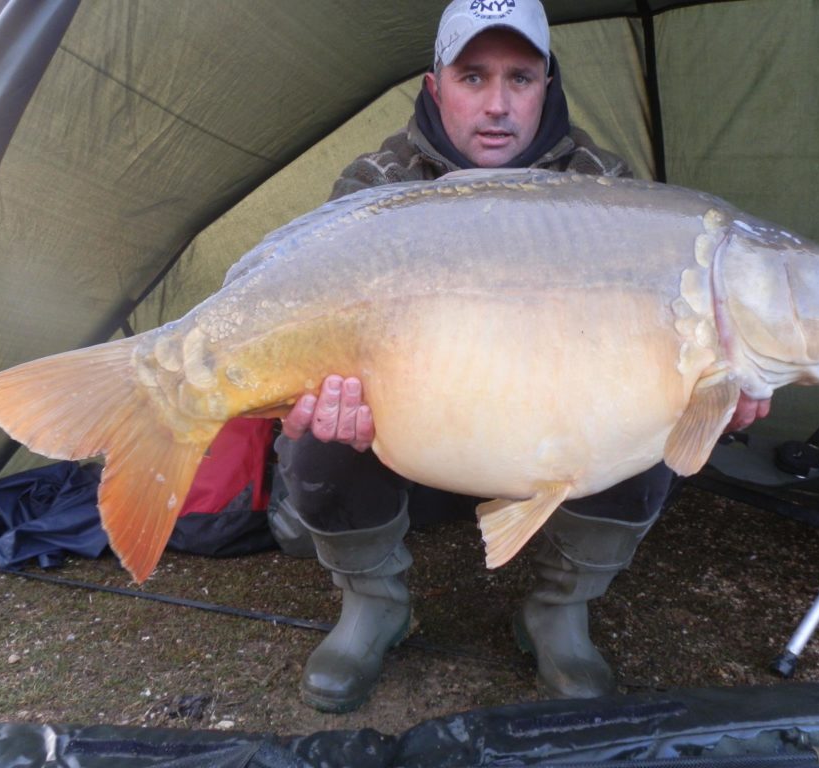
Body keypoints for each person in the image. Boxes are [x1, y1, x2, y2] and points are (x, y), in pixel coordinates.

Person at [270, 0, 771, 714]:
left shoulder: (608, 187)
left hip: (548, 425)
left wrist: (720, 390)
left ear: (548, 84)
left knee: (659, 413)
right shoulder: (376, 183)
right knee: (319, 433)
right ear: (435, 84)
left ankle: (558, 610)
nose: (498, 105)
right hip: (419, 430)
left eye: (521, 78)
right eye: (473, 77)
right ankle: (372, 604)